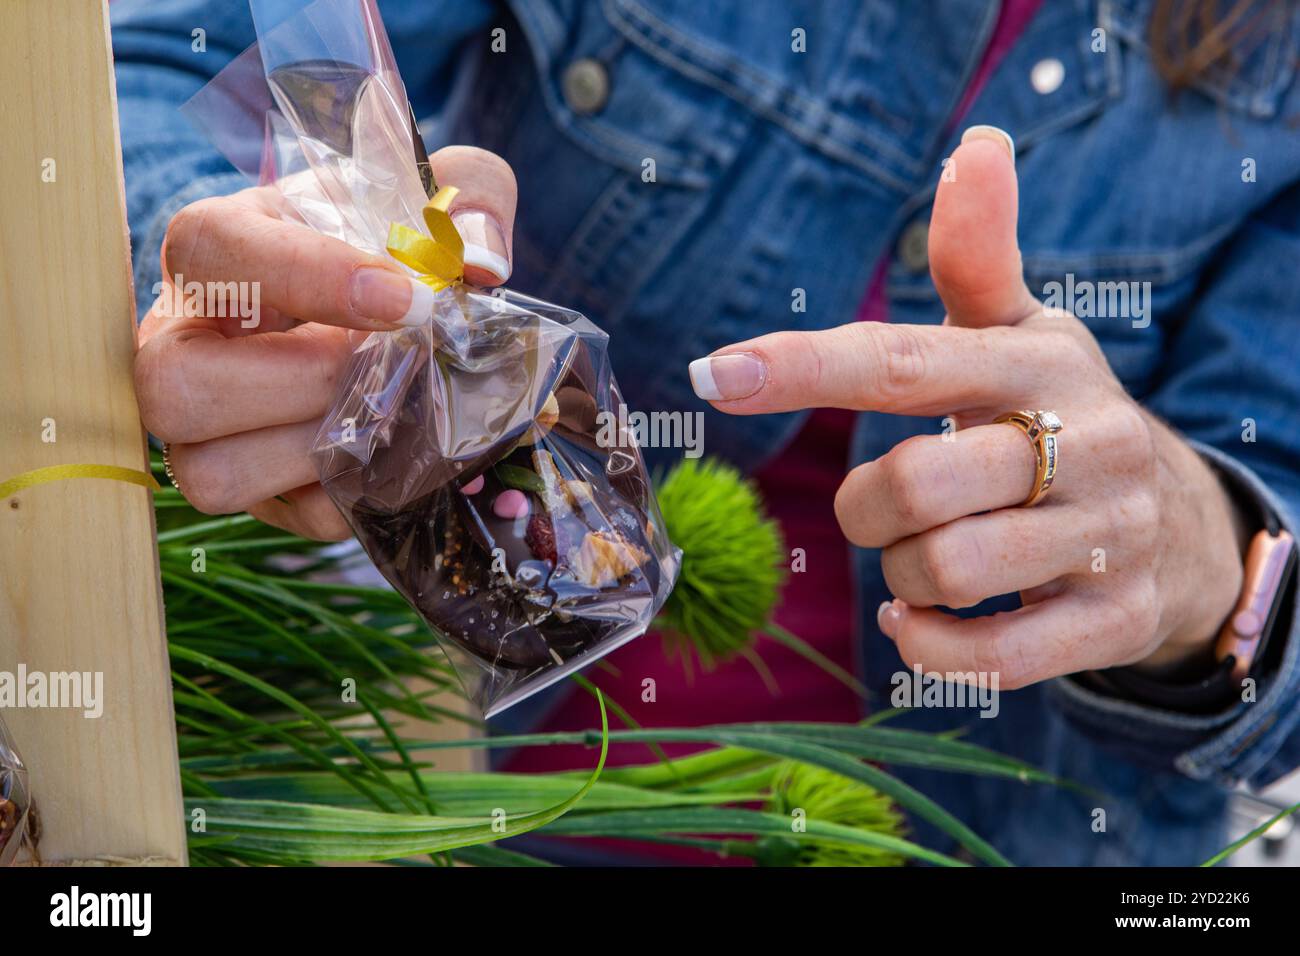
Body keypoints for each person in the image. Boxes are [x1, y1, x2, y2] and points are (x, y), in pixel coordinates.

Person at [111, 0, 1300, 865]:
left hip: (994, 831)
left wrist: (1202, 550)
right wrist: (253, 291)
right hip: (417, 770)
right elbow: (174, 58)